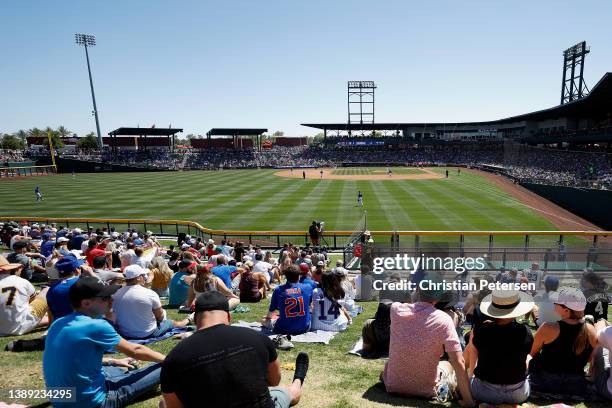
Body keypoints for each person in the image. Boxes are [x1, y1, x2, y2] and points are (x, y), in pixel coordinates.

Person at [160, 291, 309, 408]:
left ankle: (298, 378)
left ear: (196, 319)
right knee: (288, 392)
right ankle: (298, 380)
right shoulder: (258, 338)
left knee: (162, 404)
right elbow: (274, 380)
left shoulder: (174, 358)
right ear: (229, 316)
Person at [43, 277, 165, 408]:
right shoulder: (96, 325)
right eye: (105, 298)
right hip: (95, 402)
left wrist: (113, 361)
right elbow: (135, 350)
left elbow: (73, 359)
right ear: (86, 303)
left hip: (61, 400)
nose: (111, 300)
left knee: (111, 369)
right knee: (164, 366)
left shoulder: (58, 324)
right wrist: (168, 359)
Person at [381, 272, 474, 406]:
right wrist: (469, 402)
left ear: (418, 289)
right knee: (447, 364)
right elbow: (458, 362)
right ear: (439, 297)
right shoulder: (444, 320)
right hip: (426, 390)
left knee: (389, 365)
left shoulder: (395, 310)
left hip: (393, 386)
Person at [467, 290, 534, 404]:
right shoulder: (525, 331)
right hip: (518, 394)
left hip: (484, 392)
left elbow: (475, 350)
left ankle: (470, 375)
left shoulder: (482, 330)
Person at [529, 286, 598, 396]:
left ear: (566, 310)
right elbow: (591, 359)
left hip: (545, 383)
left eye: (556, 303)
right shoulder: (590, 329)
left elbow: (532, 353)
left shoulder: (548, 326)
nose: (554, 304)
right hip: (576, 385)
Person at [112, 265, 190, 339]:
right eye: (143, 275)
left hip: (125, 333)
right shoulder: (150, 293)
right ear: (138, 278)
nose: (145, 277)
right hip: (147, 333)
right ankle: (187, 320)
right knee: (171, 322)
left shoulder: (115, 294)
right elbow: (160, 317)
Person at [0, 256, 49, 336]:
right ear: (8, 268)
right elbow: (33, 301)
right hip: (21, 325)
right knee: (46, 290)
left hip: (2, 329)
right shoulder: (21, 281)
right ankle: (50, 320)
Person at [264, 264, 314, 335]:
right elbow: (309, 304)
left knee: (264, 320)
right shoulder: (308, 287)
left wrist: (268, 318)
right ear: (299, 276)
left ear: (286, 276)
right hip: (304, 327)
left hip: (283, 329)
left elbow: (271, 310)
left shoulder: (279, 290)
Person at [592, 318, 612, 400]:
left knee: (599, 348)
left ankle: (590, 374)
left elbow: (596, 335)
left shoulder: (609, 333)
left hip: (609, 391)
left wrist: (602, 322)